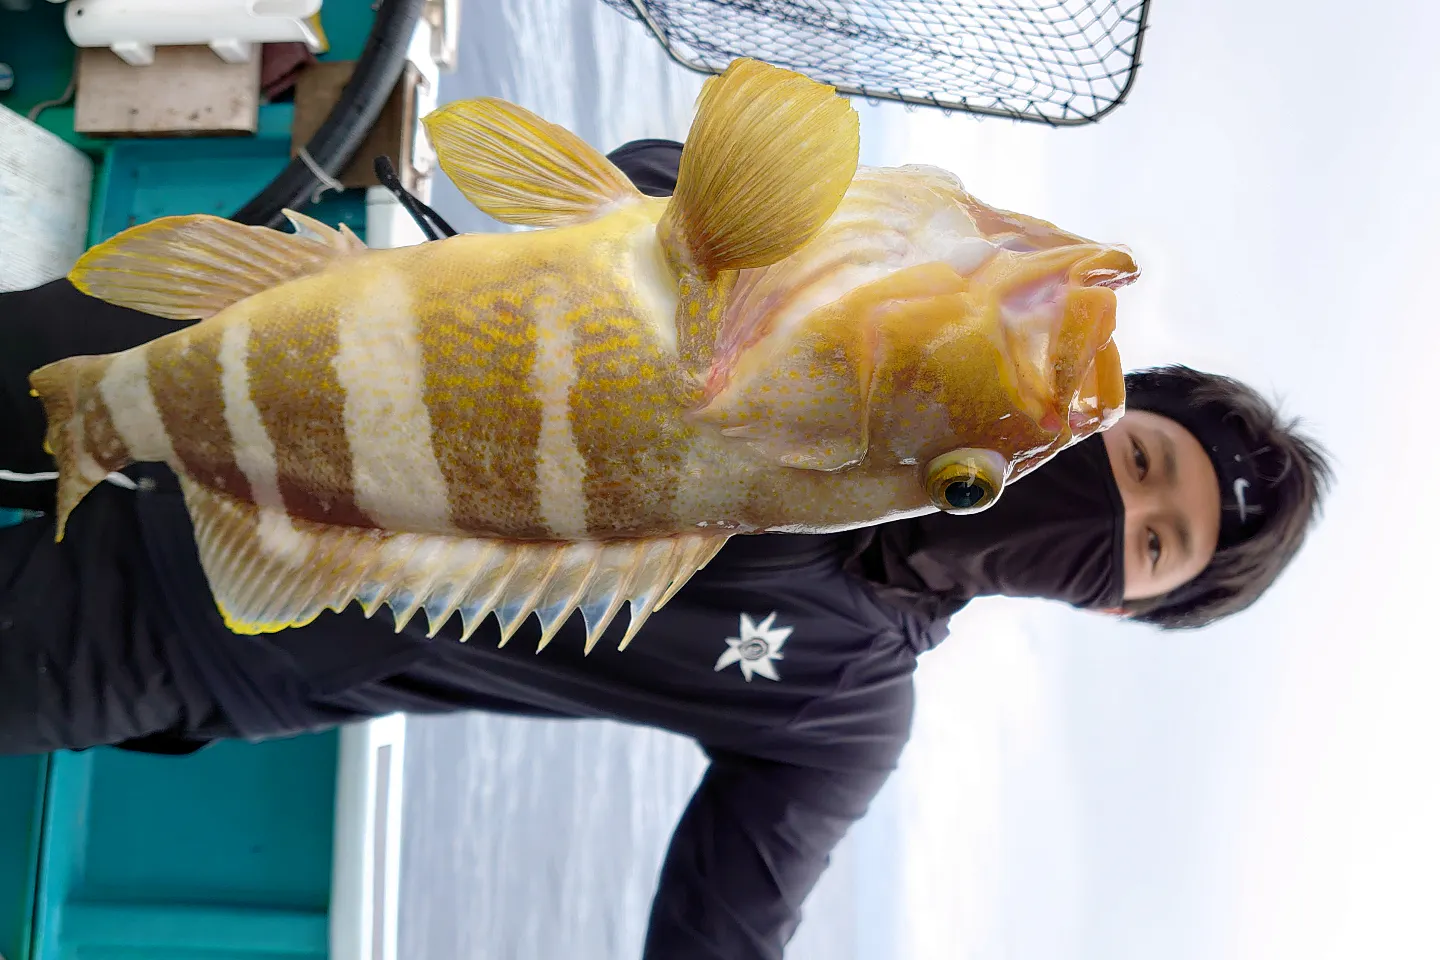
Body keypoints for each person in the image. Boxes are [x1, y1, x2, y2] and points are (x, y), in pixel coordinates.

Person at [0, 140, 1332, 959]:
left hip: (199, 628)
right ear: (1105, 414)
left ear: (1119, 609)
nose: (1117, 518)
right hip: (275, 345)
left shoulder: (846, 710)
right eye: (1145, 464)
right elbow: (633, 189)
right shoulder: (862, 313)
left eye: (1150, 550)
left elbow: (727, 933)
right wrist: (819, 259)